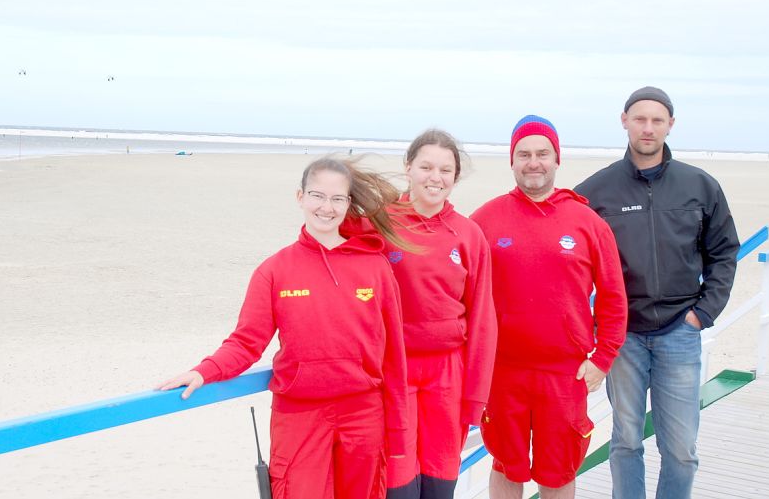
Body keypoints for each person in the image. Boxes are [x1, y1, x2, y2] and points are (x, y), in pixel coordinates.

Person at [158, 157, 411, 499]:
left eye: (337, 199)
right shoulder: (275, 270)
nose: (327, 207)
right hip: (299, 414)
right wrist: (205, 371)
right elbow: (246, 342)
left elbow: (394, 355)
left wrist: (398, 431)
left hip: (363, 413)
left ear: (348, 203)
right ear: (300, 197)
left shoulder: (376, 267)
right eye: (317, 196)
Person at [574, 87, 739, 499]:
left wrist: (703, 313)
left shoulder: (700, 186)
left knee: (681, 449)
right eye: (640, 119)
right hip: (622, 336)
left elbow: (724, 253)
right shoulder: (595, 192)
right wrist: (591, 326)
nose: (648, 128)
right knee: (626, 440)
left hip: (680, 331)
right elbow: (571, 265)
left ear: (670, 125)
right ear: (624, 121)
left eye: (657, 120)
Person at [470, 115, 627, 499]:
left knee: (558, 471)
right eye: (524, 154)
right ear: (512, 160)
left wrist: (602, 359)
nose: (533, 162)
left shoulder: (588, 223)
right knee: (506, 466)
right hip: (503, 372)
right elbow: (459, 287)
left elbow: (613, 296)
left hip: (564, 373)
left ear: (557, 159)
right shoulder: (486, 219)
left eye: (542, 153)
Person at [384, 129, 496, 499]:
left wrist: (476, 395)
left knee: (440, 478)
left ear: (455, 176)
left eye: (445, 170)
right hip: (393, 370)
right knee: (397, 479)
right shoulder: (380, 223)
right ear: (408, 167)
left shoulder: (468, 234)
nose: (436, 178)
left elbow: (482, 318)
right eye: (426, 167)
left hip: (448, 373)